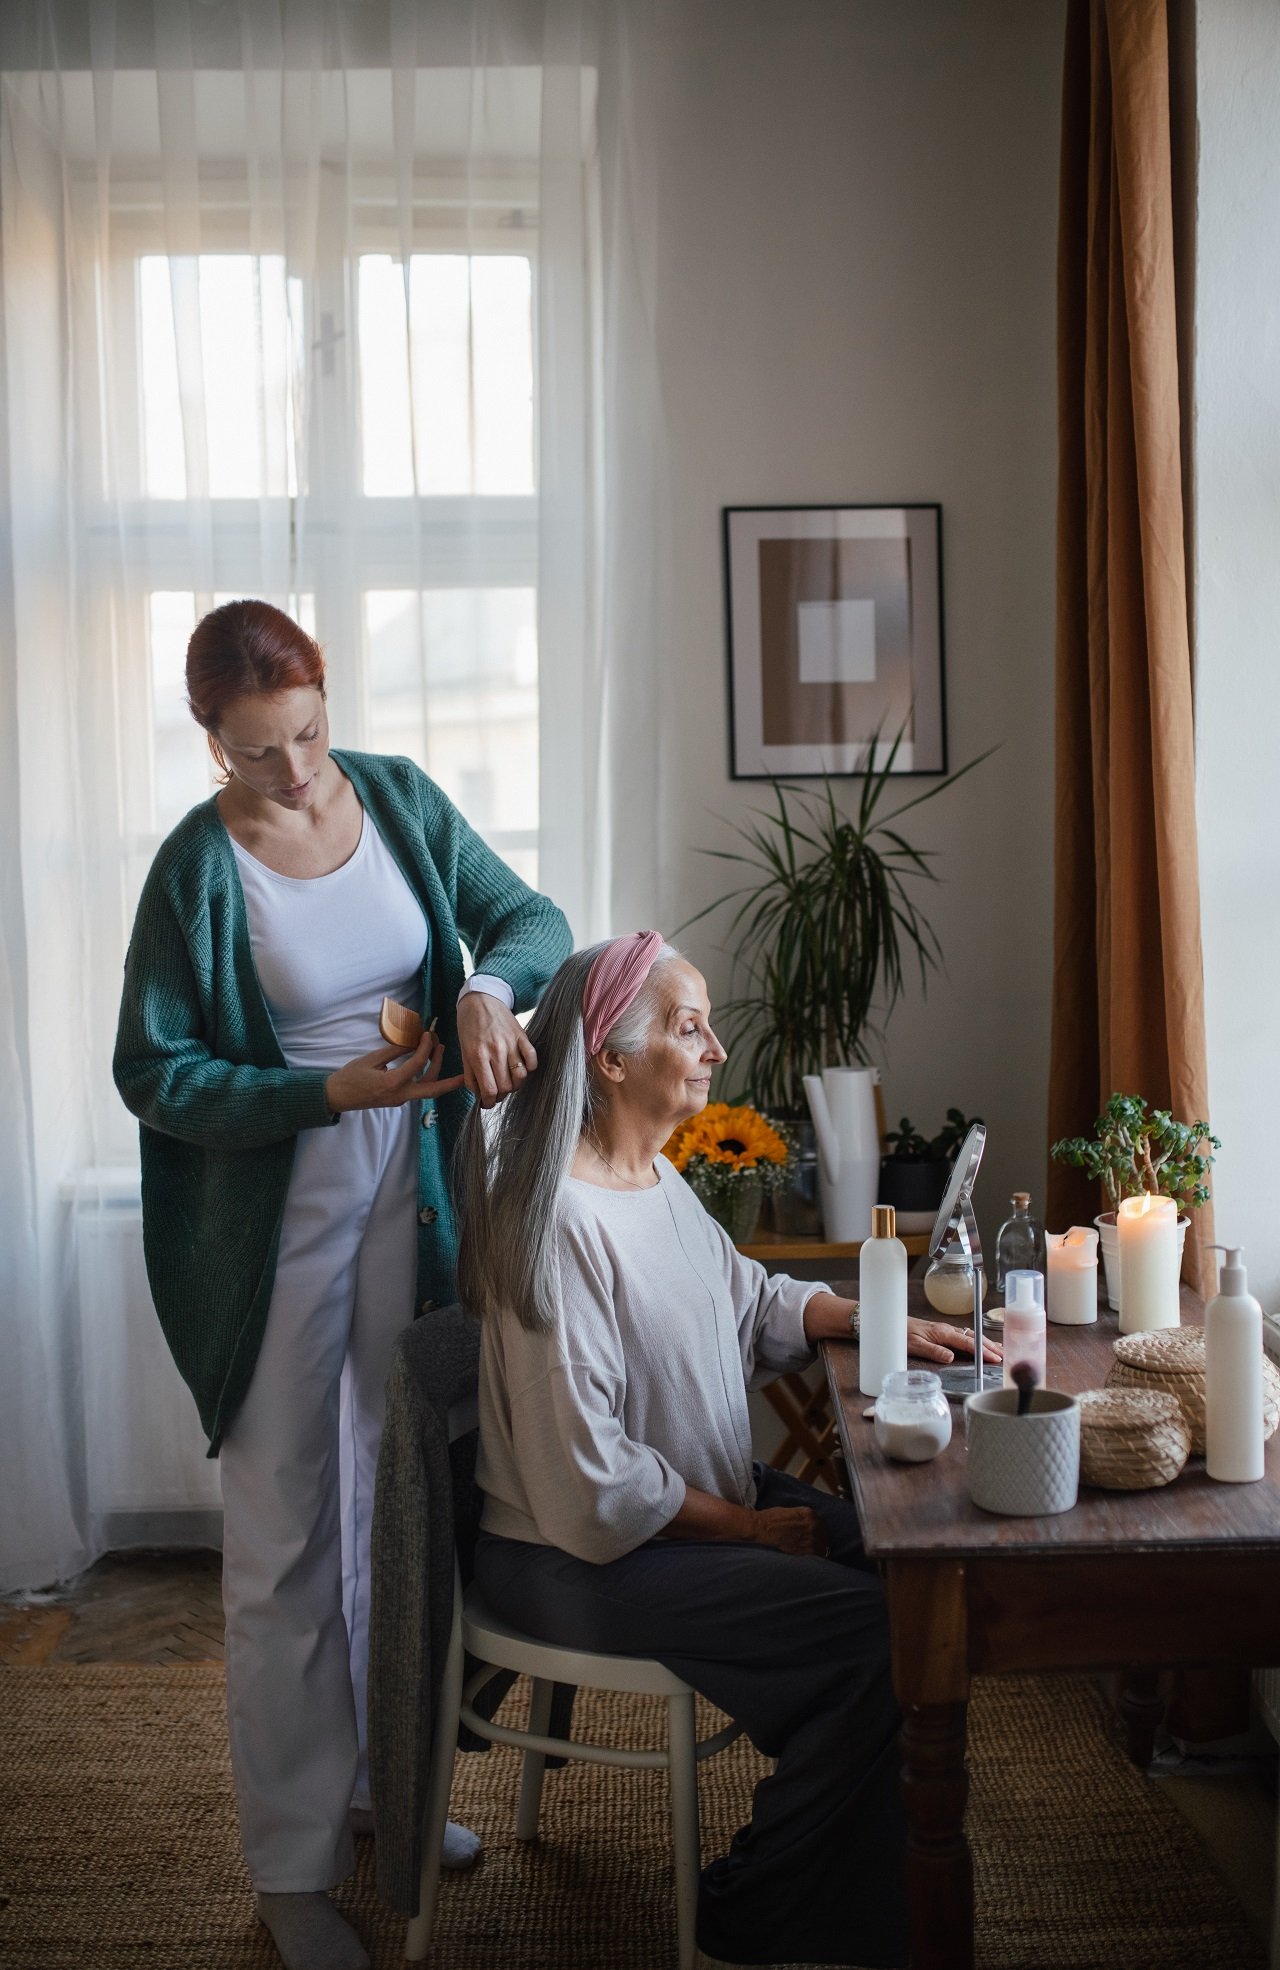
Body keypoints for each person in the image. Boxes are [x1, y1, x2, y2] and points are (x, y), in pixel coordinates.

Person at [113, 599, 571, 1970]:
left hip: (407, 1207)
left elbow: (529, 916)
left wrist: (490, 987)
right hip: (267, 1231)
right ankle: (292, 1863)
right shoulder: (197, 871)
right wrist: (322, 1089)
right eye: (259, 755)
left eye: (308, 734)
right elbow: (157, 1071)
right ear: (211, 743)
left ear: (327, 702)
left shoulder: (400, 801)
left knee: (399, 1510)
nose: (298, 773)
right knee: (285, 1539)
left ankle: (388, 1790)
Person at [457, 931, 1000, 1970]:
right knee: (869, 1637)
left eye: (707, 1020)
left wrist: (861, 1315)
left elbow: (742, 1294)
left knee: (912, 1567)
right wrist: (751, 1527)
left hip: (679, 1508)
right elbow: (589, 1487)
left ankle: (856, 1869)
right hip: (580, 1556)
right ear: (610, 1057)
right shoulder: (558, 1216)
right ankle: (760, 1902)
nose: (713, 1044)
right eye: (686, 1024)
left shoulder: (652, 1176)